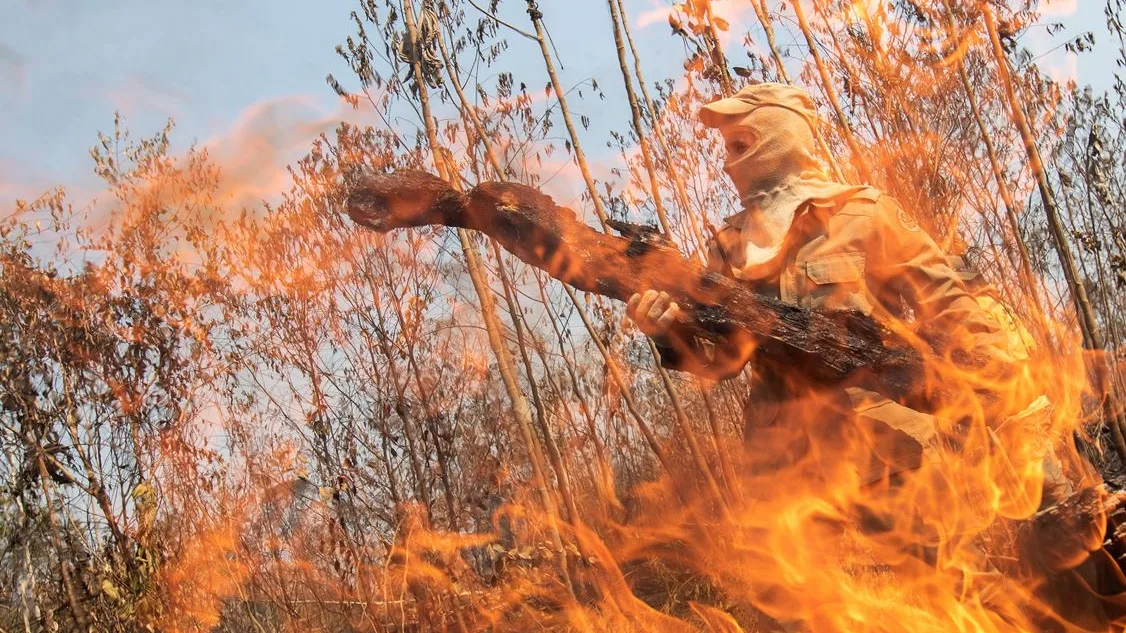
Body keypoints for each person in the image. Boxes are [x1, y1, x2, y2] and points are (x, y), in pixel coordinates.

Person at [624, 82, 1019, 486]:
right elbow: (723, 362)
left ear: (780, 139)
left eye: (740, 146)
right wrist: (667, 332)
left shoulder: (865, 214)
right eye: (726, 149)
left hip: (885, 456)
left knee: (931, 551)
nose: (727, 164)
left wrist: (994, 379)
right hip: (783, 475)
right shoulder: (728, 246)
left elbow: (947, 300)